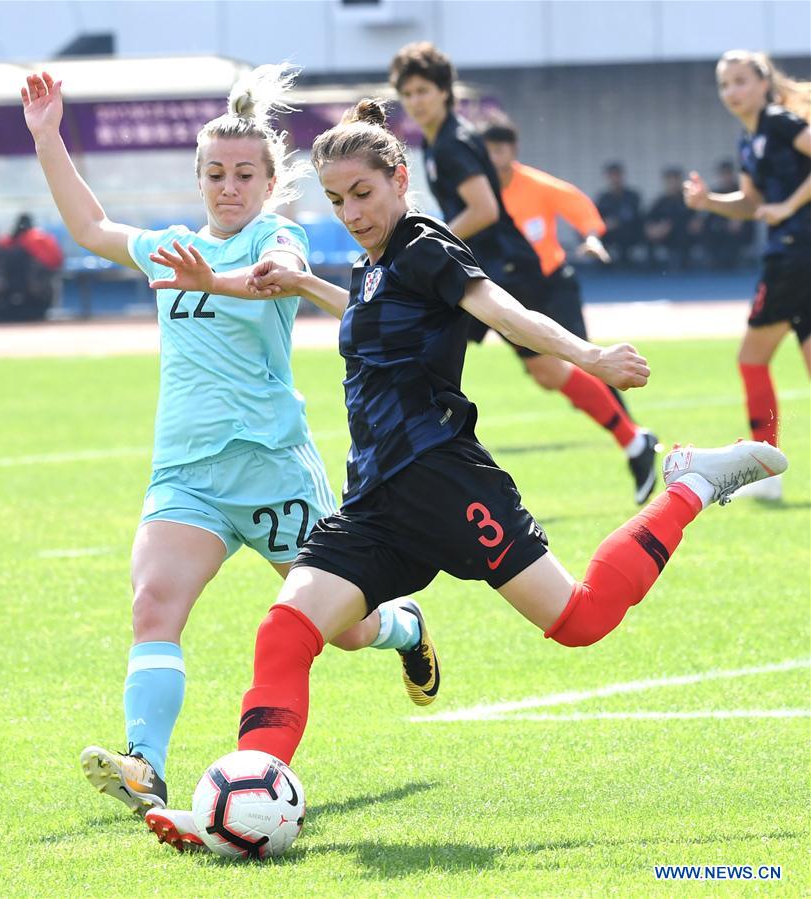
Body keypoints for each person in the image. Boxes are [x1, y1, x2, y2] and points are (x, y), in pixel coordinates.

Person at [142, 99, 787, 853]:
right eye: (338, 199)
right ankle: (241, 800)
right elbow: (365, 309)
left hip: (443, 477)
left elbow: (501, 309)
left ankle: (689, 484)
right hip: (378, 496)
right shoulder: (376, 264)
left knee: (577, 621)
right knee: (286, 628)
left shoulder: (422, 244)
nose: (351, 211)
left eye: (363, 194)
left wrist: (589, 356)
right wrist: (279, 285)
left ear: (399, 177)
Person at [20, 68, 439, 819]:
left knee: (346, 631)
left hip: (273, 471)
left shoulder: (275, 237)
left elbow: (279, 278)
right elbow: (90, 229)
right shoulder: (173, 247)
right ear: (199, 178)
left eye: (244, 173)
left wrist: (211, 278)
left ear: (271, 181)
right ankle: (145, 764)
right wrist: (49, 136)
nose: (228, 186)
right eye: (214, 173)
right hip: (187, 474)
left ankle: (404, 627)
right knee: (153, 606)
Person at [389, 42, 658, 505]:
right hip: (484, 266)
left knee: (439, 353)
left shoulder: (451, 143)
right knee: (543, 371)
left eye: (423, 90)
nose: (415, 100)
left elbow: (485, 209)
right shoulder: (439, 140)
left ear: (444, 92)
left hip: (500, 268)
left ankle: (428, 466)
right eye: (408, 92)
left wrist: (428, 243)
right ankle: (634, 440)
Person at [683, 50, 811, 501]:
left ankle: (766, 473)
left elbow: (775, 204)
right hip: (794, 253)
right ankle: (767, 471)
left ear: (763, 83)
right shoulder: (749, 138)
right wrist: (708, 202)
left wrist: (789, 207)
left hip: (796, 254)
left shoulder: (779, 122)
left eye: (740, 81)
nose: (732, 92)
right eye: (724, 84)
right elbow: (751, 203)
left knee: (751, 359)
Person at [477, 119, 631, 416]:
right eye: (487, 151)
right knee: (547, 376)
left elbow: (578, 206)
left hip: (552, 283)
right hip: (511, 290)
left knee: (590, 358)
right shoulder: (478, 195)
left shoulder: (537, 185)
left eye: (499, 149)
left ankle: (632, 431)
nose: (493, 157)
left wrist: (591, 238)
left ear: (513, 150)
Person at [0, 212, 63, 322]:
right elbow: (57, 263)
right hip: (37, 306)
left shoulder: (7, 243)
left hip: (5, 306)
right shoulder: (40, 240)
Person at [701, 160, 755, 269]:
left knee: (736, 230)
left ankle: (735, 260)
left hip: (740, 229)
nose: (726, 177)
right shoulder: (714, 193)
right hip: (721, 229)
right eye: (723, 174)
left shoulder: (742, 191)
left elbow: (752, 209)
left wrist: (740, 219)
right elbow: (709, 217)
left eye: (728, 174)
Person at [644, 168, 696, 270]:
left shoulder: (689, 200)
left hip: (684, 236)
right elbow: (649, 220)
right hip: (664, 236)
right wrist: (656, 229)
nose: (673, 184)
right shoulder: (660, 202)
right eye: (669, 181)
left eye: (675, 180)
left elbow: (697, 219)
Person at [596, 162, 644, 267]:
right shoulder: (604, 198)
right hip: (608, 231)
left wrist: (617, 222)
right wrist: (605, 224)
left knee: (628, 232)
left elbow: (635, 215)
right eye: (612, 175)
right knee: (598, 233)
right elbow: (597, 216)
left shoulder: (632, 196)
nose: (615, 178)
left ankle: (626, 261)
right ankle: (603, 263)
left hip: (629, 231)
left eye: (617, 175)